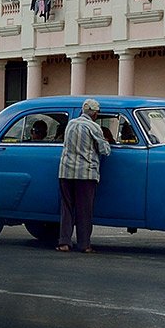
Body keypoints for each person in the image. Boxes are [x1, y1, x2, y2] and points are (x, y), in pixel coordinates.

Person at [56, 98, 110, 253]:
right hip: (85, 174)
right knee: (84, 210)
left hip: (65, 171)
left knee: (66, 208)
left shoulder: (70, 124)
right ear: (94, 114)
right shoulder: (94, 127)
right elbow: (104, 150)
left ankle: (64, 242)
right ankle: (84, 244)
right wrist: (107, 141)